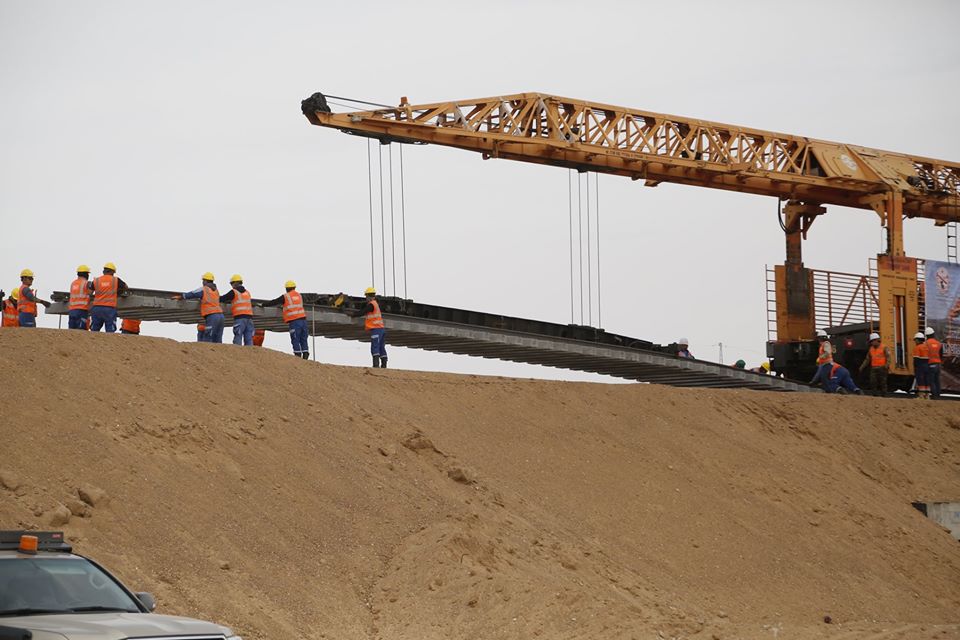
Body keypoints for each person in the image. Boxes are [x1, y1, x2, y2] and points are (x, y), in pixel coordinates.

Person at [260, 280, 308, 359]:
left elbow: (275, 302)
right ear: (294, 287)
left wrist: (263, 304)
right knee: (303, 338)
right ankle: (305, 354)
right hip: (303, 320)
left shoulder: (286, 296)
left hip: (294, 321)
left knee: (295, 339)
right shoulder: (299, 296)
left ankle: (298, 356)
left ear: (286, 288)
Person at [174, 273, 224, 343]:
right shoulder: (216, 291)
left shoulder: (204, 289)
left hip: (212, 316)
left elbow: (193, 293)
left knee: (208, 338)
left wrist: (182, 296)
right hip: (221, 316)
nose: (202, 282)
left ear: (205, 281)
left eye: (203, 280)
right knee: (217, 339)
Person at [346, 287, 388, 368]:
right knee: (381, 347)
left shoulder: (371, 304)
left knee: (375, 347)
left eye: (366, 296)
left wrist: (353, 314)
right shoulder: (375, 304)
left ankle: (376, 365)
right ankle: (384, 365)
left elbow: (363, 311)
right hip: (381, 329)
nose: (366, 298)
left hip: (376, 329)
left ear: (368, 296)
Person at [87, 262, 128, 333]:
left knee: (94, 331)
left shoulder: (96, 280)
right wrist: (118, 292)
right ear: (112, 272)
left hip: (97, 308)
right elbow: (126, 287)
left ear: (104, 271)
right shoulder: (115, 280)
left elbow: (89, 293)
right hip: (109, 308)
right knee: (110, 331)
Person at [220, 274, 254, 346]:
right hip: (249, 319)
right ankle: (250, 352)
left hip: (240, 318)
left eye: (232, 283)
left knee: (238, 337)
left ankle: (237, 352)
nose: (231, 285)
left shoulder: (234, 292)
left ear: (235, 283)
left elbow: (223, 298)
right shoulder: (247, 293)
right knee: (249, 339)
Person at [67, 265, 92, 330]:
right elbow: (90, 293)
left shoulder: (73, 283)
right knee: (81, 331)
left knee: (71, 331)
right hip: (82, 310)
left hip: (72, 310)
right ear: (86, 274)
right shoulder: (86, 283)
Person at [925, 327, 942, 400]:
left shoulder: (926, 343)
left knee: (931, 381)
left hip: (930, 364)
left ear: (926, 335)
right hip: (938, 364)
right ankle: (938, 395)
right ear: (933, 334)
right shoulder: (939, 343)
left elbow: (925, 355)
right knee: (937, 380)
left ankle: (934, 396)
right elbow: (941, 354)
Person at [912, 331, 930, 400]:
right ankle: (927, 396)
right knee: (926, 380)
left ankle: (921, 396)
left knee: (920, 380)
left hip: (920, 366)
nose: (915, 342)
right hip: (927, 365)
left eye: (915, 340)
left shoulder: (917, 348)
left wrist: (915, 368)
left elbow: (916, 359)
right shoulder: (927, 347)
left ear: (917, 340)